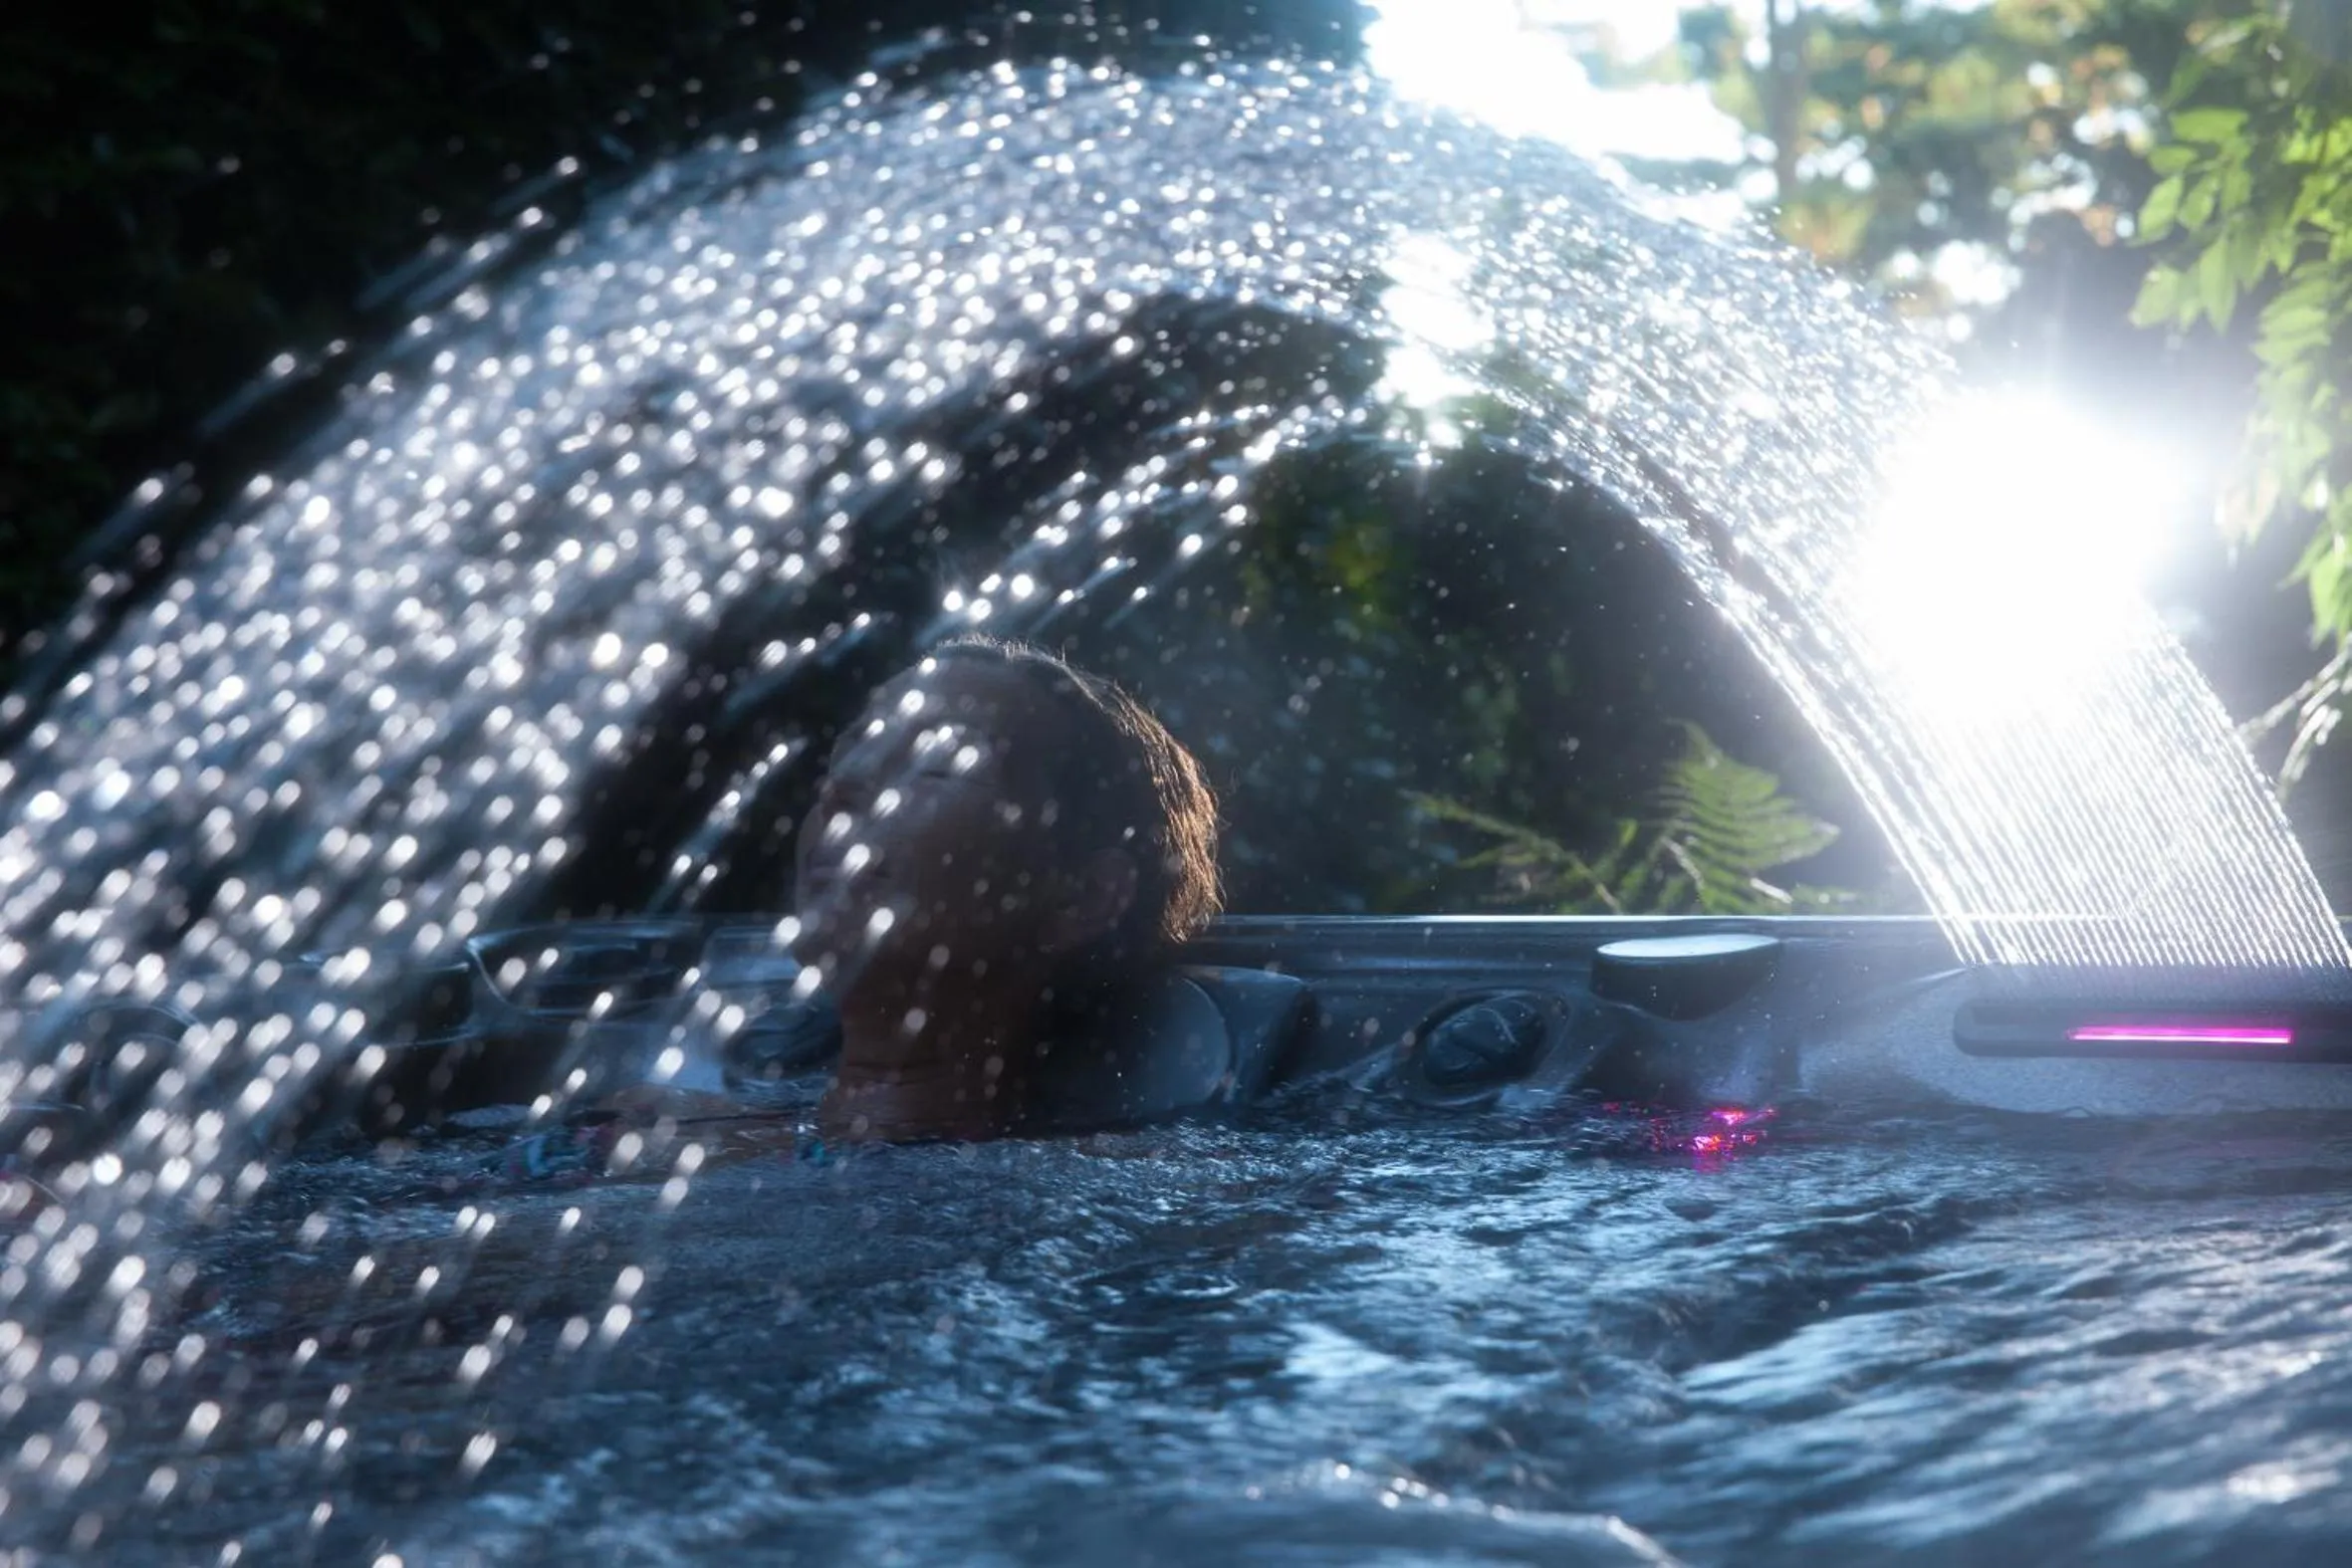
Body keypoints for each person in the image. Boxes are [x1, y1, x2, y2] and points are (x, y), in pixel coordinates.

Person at [482, 636, 1221, 1182]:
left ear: (1082, 897)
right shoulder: (676, 1117)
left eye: (937, 762)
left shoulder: (1080, 1184)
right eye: (852, 753)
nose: (846, 789)